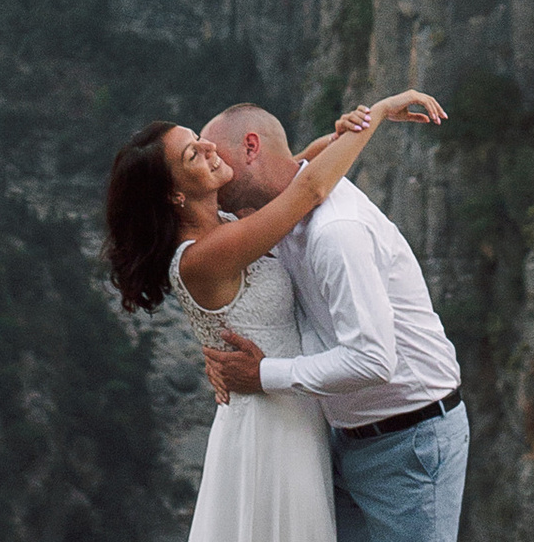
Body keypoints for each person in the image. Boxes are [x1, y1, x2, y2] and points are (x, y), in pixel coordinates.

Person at [105, 88, 448, 542]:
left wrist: (338, 134)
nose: (208, 148)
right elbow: (306, 188)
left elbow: (293, 168)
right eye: (193, 153)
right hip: (271, 424)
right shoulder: (205, 255)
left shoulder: (228, 224)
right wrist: (379, 112)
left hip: (297, 409)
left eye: (200, 139)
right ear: (173, 195)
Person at [197, 101, 468, 542]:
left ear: (251, 147)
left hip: (409, 440)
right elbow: (302, 167)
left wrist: (263, 374)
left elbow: (374, 361)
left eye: (216, 157)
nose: (215, 172)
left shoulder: (335, 232)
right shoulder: (278, 213)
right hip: (345, 436)